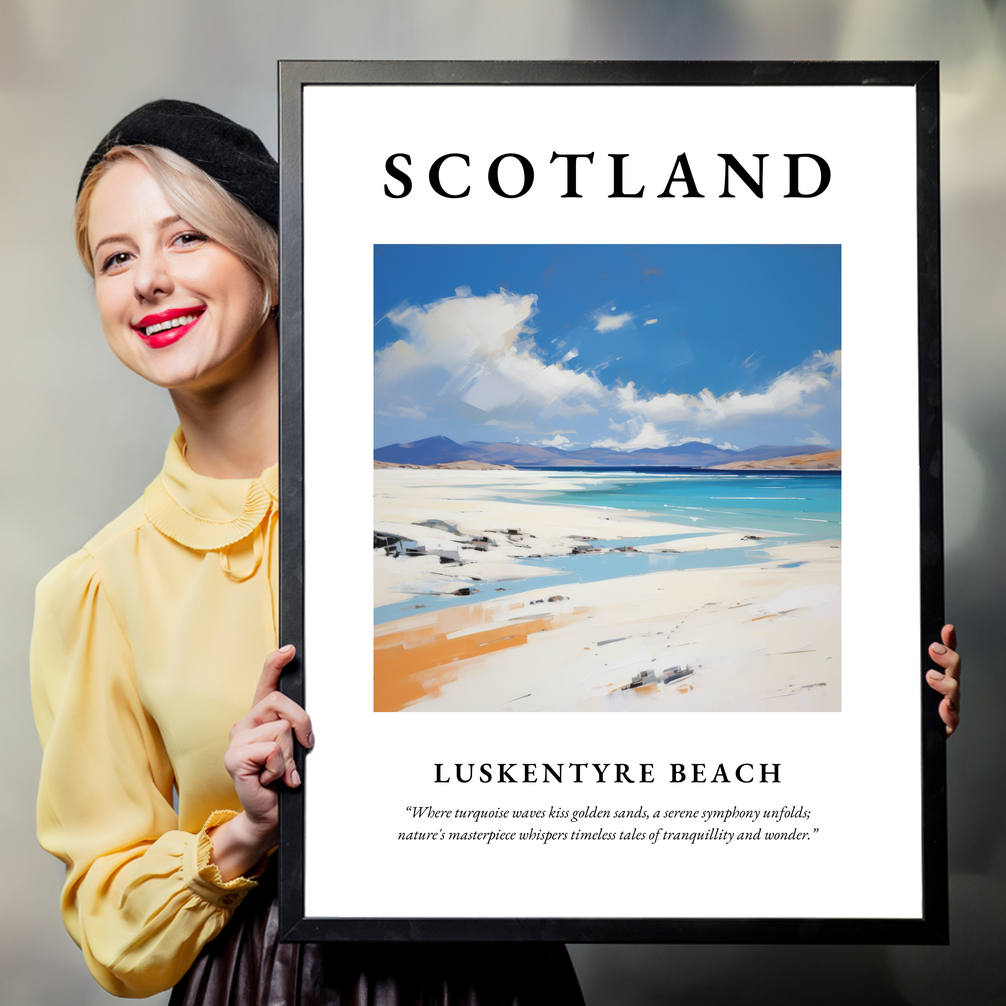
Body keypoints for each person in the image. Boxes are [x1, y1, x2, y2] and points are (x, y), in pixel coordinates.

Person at [30, 100, 585, 1004]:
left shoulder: (447, 507)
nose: (148, 281)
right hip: (262, 981)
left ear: (273, 264)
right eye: (116, 257)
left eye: (186, 239)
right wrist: (245, 832)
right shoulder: (97, 586)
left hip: (493, 973)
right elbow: (110, 924)